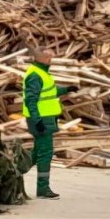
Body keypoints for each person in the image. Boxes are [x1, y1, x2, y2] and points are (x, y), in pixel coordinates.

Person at [22, 48, 74, 200]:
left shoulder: (42, 73)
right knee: (45, 153)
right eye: (49, 57)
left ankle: (14, 172)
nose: (51, 59)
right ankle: (43, 189)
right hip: (41, 120)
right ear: (42, 58)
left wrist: (66, 89)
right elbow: (31, 100)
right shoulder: (35, 75)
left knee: (37, 152)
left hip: (46, 119)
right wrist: (37, 121)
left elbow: (49, 93)